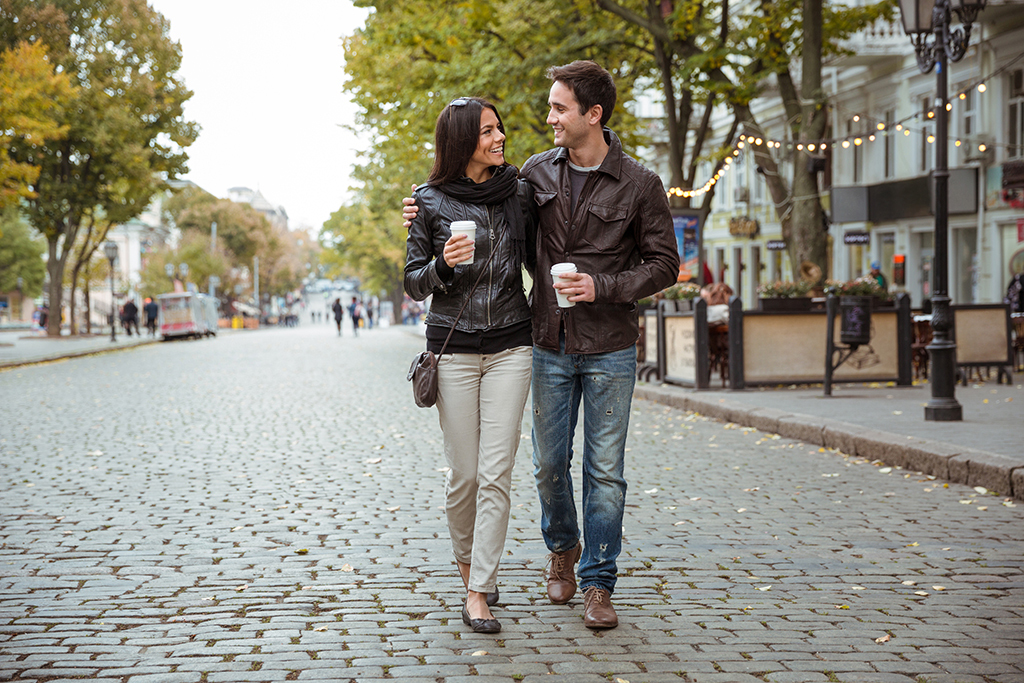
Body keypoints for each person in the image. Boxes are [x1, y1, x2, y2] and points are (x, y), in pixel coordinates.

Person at [403, 62, 678, 630]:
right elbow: (458, 211)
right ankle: (561, 550)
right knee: (546, 466)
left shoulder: (640, 183)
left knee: (604, 470)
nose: (546, 117)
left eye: (557, 108)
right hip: (545, 340)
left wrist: (603, 286)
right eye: (550, 107)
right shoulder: (534, 175)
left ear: (591, 114)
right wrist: (423, 213)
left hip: (601, 343)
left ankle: (597, 583)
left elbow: (665, 264)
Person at [405, 96, 535, 635]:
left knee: (497, 473)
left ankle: (479, 588)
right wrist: (441, 266)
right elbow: (412, 283)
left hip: (511, 344)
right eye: (487, 132)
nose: (499, 137)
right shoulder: (429, 202)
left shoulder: (520, 192)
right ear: (462, 141)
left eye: (499, 128)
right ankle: (468, 564)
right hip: (453, 349)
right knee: (464, 475)